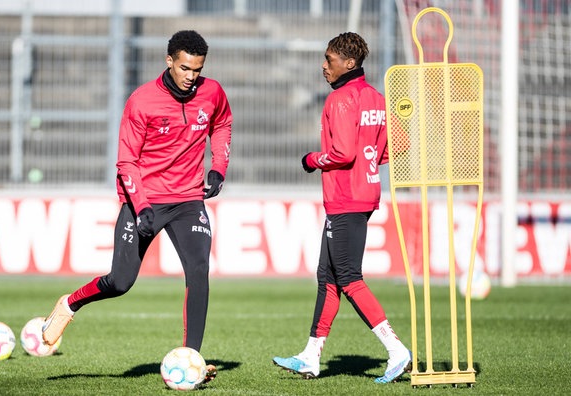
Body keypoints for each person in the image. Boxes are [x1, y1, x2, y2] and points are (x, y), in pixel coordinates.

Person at [41, 30, 232, 383]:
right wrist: (141, 206)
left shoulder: (212, 92)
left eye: (198, 69)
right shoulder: (142, 101)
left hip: (189, 199)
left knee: (198, 270)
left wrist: (219, 167)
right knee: (121, 281)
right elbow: (126, 162)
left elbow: (222, 125)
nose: (192, 77)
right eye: (185, 68)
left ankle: (192, 358)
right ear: (169, 61)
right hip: (143, 199)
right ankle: (71, 303)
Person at [272, 32, 411, 383]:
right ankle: (310, 355)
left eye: (329, 60)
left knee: (348, 277)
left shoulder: (340, 99)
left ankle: (396, 349)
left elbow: (343, 153)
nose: (324, 65)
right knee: (328, 278)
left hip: (345, 197)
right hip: (363, 193)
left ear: (348, 63)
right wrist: (369, 160)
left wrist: (311, 159)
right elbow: (401, 143)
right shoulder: (376, 98)